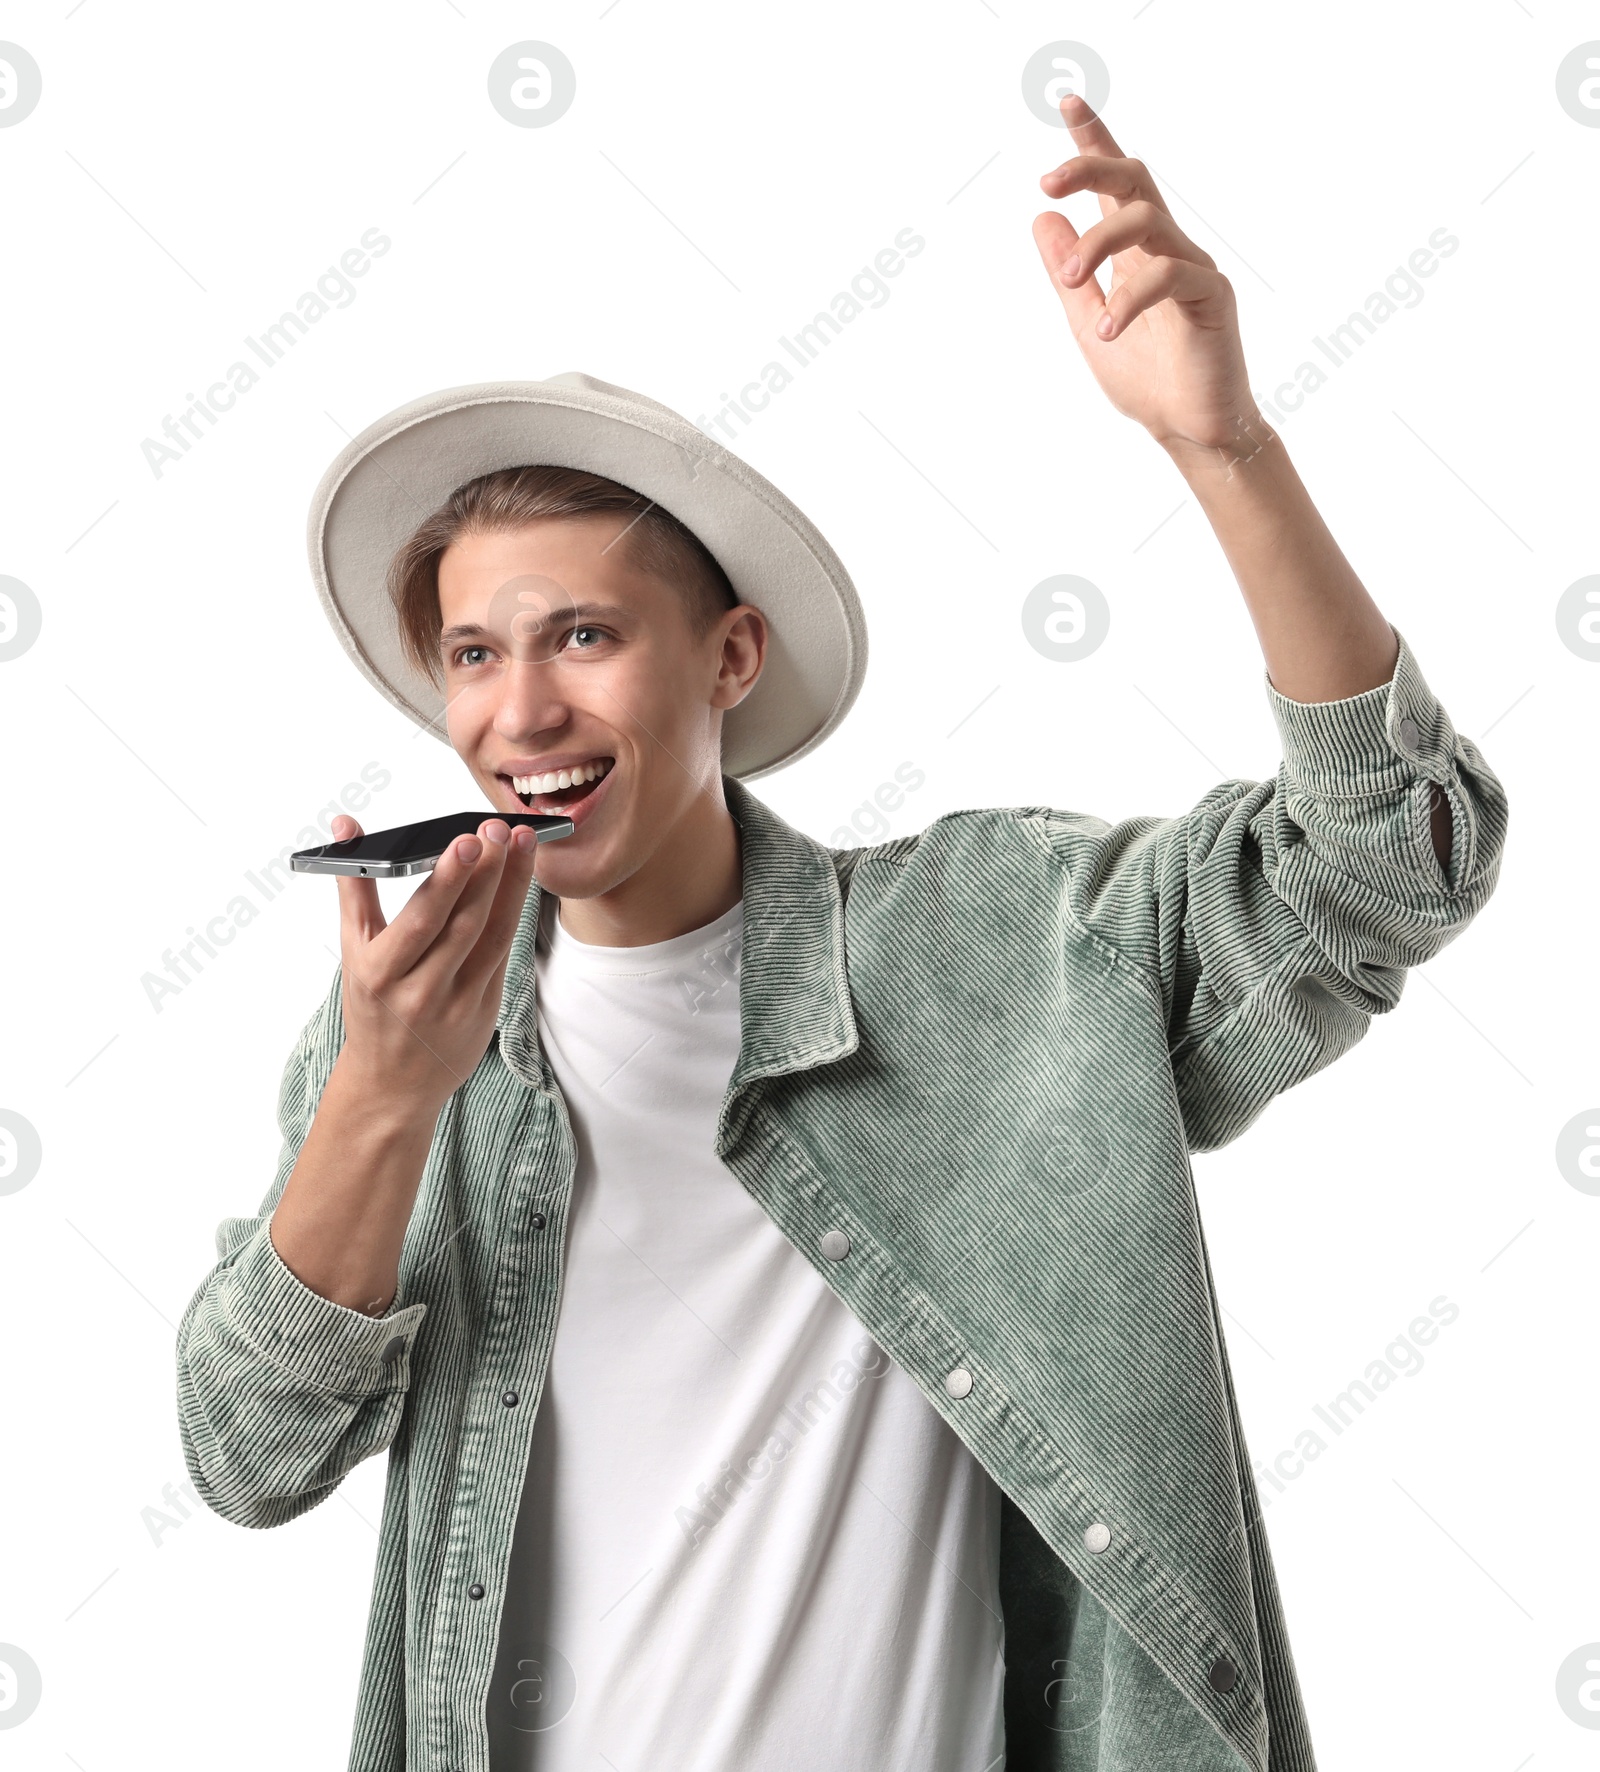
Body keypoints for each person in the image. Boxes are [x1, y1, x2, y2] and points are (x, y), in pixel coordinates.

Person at [175, 94, 1506, 1772]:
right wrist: (381, 1100)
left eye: (583, 635)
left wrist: (1222, 448)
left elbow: (1395, 858)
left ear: (730, 659)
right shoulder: (403, 1046)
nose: (521, 712)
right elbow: (245, 1455)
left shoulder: (994, 951)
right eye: (470, 654)